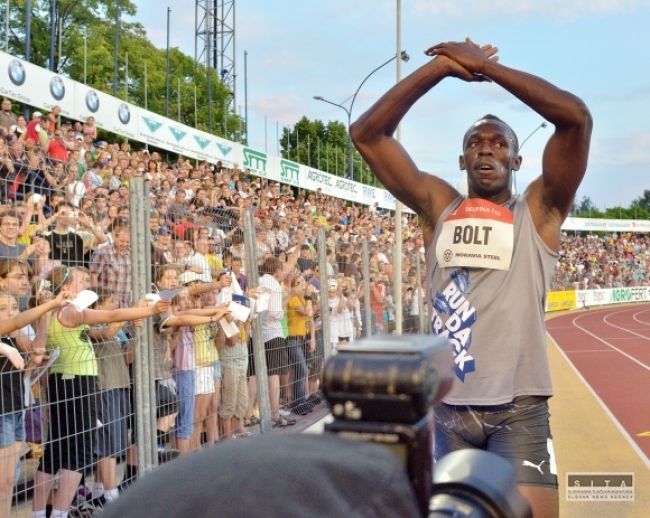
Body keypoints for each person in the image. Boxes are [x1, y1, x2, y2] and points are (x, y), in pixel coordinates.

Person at [350, 37, 592, 518]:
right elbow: (367, 135)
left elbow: (576, 119)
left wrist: (487, 70)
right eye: (474, 144)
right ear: (461, 161)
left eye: (499, 143)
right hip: (450, 409)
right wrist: (440, 68)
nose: (486, 151)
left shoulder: (541, 210)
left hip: (519, 407)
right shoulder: (439, 205)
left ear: (517, 162)